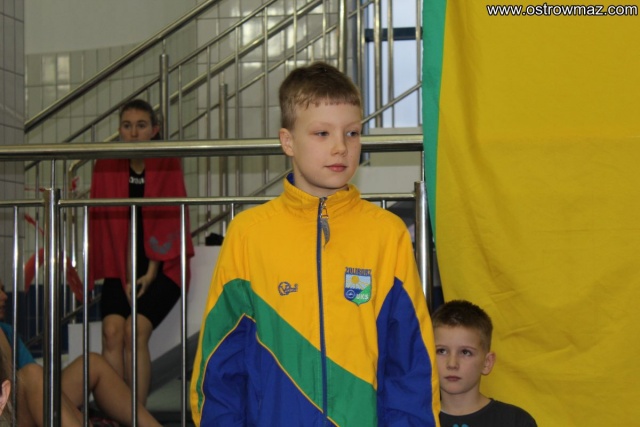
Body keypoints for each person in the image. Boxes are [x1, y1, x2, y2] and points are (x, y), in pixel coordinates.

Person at [190, 62, 440, 426]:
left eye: (352, 133)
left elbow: (409, 363)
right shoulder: (249, 234)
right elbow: (220, 364)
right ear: (288, 141)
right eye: (322, 133)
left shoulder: (387, 234)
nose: (340, 147)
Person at [89, 98, 195, 405]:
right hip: (120, 265)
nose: (133, 133)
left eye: (141, 125)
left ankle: (136, 414)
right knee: (112, 331)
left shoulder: (166, 163)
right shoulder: (106, 165)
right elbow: (110, 228)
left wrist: (149, 273)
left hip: (164, 266)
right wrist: (126, 274)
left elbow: (169, 222)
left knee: (134, 331)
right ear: (119, 130)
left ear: (154, 130)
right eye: (126, 126)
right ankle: (115, 412)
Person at [0, 280, 161, 427]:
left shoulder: (6, 331)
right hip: (6, 412)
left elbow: (36, 383)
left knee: (91, 363)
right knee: (32, 374)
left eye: (2, 289)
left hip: (25, 401)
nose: (4, 296)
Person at [431, 299, 537, 427]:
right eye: (441, 351)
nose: (452, 364)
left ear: (487, 363)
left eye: (465, 352)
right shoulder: (415, 420)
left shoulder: (515, 421)